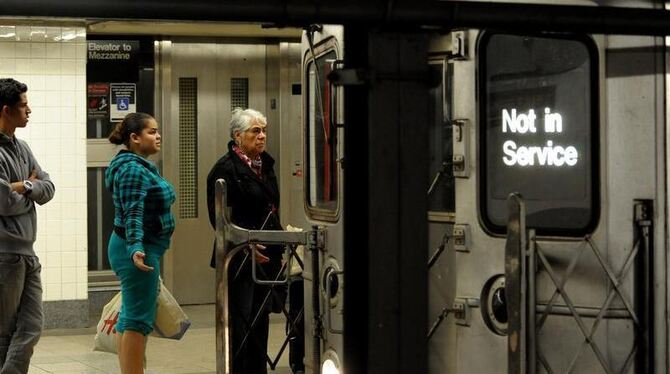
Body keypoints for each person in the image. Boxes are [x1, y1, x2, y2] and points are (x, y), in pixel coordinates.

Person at [207, 108, 284, 374]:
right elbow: (219, 220)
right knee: (241, 322)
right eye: (255, 131)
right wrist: (246, 246)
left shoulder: (267, 165)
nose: (262, 136)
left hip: (268, 257)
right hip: (238, 260)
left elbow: (272, 206)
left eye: (264, 130)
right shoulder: (224, 170)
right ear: (238, 136)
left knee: (260, 321)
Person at [105, 112, 175, 374]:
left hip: (138, 248)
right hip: (137, 251)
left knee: (130, 318)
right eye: (151, 132)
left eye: (158, 131)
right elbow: (132, 212)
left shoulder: (137, 165)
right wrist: (136, 249)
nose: (157, 136)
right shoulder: (133, 170)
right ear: (134, 138)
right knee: (138, 320)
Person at [0, 78, 55, 374]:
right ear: (6, 110)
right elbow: (3, 203)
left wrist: (24, 186)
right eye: (23, 106)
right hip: (5, 255)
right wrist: (26, 193)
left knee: (32, 325)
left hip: (27, 254)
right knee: (3, 331)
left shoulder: (22, 147)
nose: (29, 110)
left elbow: (48, 188)